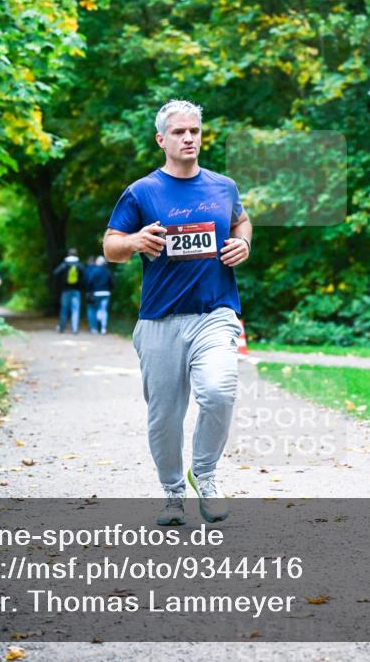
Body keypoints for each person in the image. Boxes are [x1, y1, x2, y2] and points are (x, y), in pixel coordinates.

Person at [104, 99, 252, 526]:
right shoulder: (142, 192)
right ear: (161, 139)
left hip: (215, 313)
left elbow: (241, 222)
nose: (189, 138)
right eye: (179, 132)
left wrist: (244, 242)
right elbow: (111, 246)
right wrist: (134, 242)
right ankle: (172, 493)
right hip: (160, 320)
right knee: (164, 417)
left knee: (219, 391)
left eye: (195, 131)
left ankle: (204, 475)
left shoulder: (223, 186)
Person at [53, 248, 86, 334]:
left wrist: (61, 281)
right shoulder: (79, 264)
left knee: (64, 309)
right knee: (75, 310)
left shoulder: (64, 264)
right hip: (76, 290)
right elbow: (85, 276)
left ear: (68, 254)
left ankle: (62, 328)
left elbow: (55, 273)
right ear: (76, 254)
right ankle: (74, 329)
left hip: (66, 290)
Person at [89, 256, 113, 335]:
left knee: (97, 310)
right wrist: (109, 289)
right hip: (106, 293)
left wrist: (90, 291)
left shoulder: (94, 271)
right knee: (104, 310)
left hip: (96, 293)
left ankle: (96, 328)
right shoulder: (108, 271)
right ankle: (103, 328)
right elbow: (112, 282)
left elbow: (90, 281)